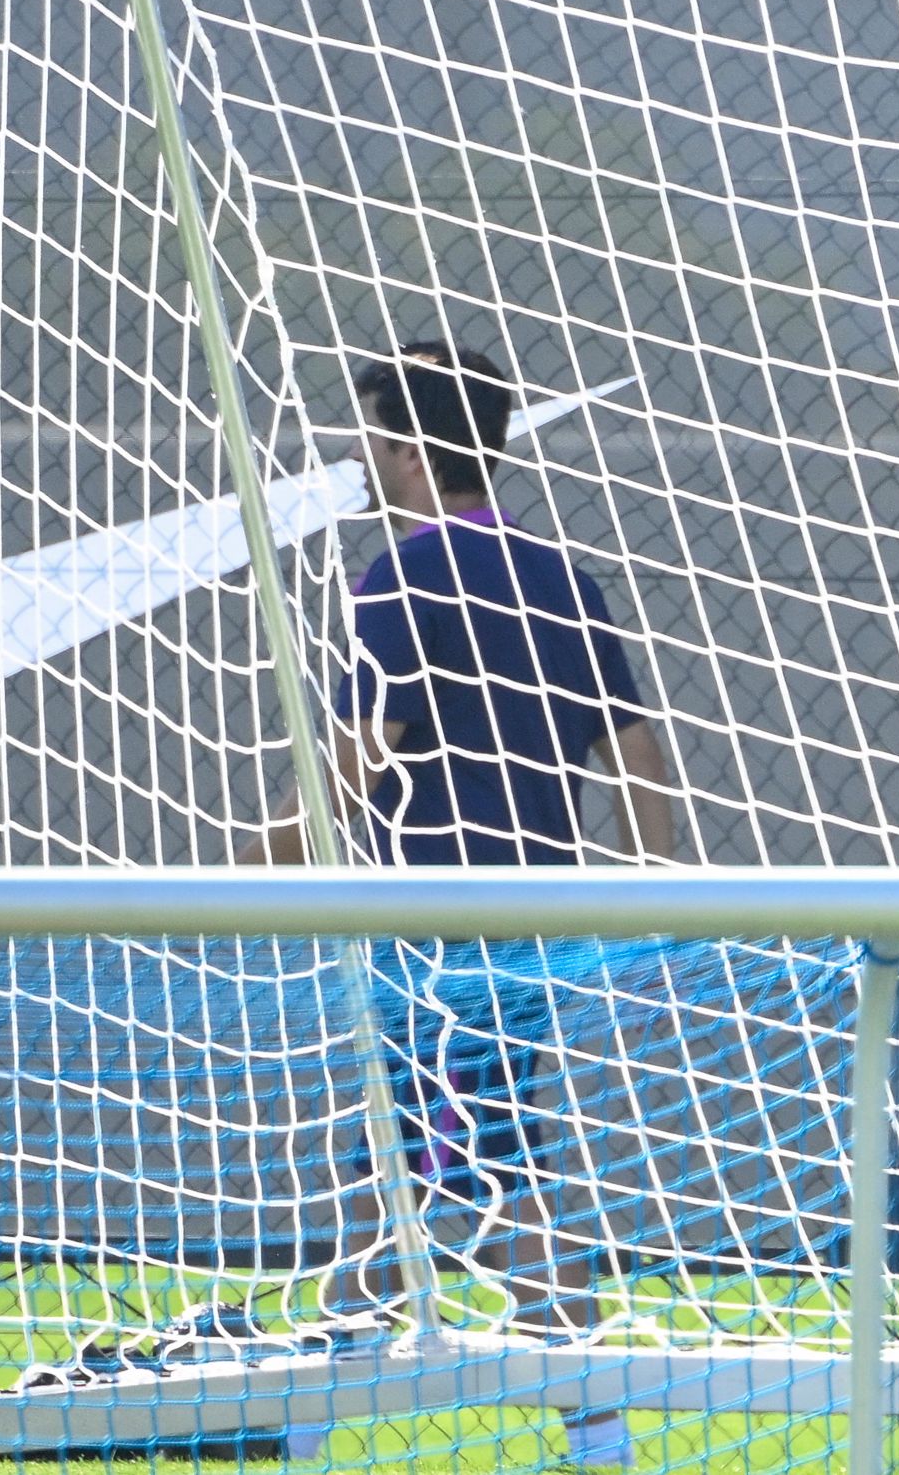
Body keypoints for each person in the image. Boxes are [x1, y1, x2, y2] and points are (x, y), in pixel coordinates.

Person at [246, 340, 675, 1471]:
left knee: (478, 1177)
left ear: (408, 448)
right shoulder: (562, 577)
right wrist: (645, 888)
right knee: (426, 1163)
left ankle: (588, 1433)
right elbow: (637, 756)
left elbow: (357, 760)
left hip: (433, 938)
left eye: (373, 435)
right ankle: (316, 1409)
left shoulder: (402, 581)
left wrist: (264, 853)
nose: (361, 456)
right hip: (526, 930)